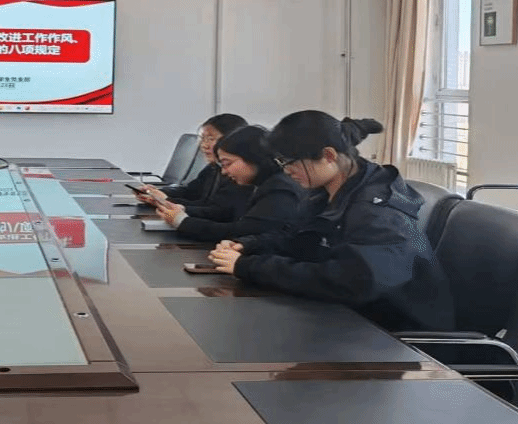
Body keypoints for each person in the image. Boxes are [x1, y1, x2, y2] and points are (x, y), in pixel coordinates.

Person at [207, 111, 455, 332]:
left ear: (328, 156)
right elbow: (303, 240)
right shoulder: (329, 191)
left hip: (395, 336)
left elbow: (350, 281)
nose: (286, 171)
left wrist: (250, 267)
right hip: (350, 318)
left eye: (289, 162)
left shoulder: (377, 211)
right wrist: (249, 246)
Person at [156, 125, 304, 243]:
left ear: (253, 157)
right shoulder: (255, 182)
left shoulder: (279, 190)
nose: (224, 172)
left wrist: (183, 222)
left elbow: (241, 232)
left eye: (227, 163)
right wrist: (181, 210)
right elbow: (225, 213)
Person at [136, 113, 248, 212]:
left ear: (232, 140)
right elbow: (190, 191)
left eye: (210, 139)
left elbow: (215, 211)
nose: (204, 145)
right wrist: (156, 193)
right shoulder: (213, 168)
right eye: (202, 138)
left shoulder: (238, 174)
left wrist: (166, 200)